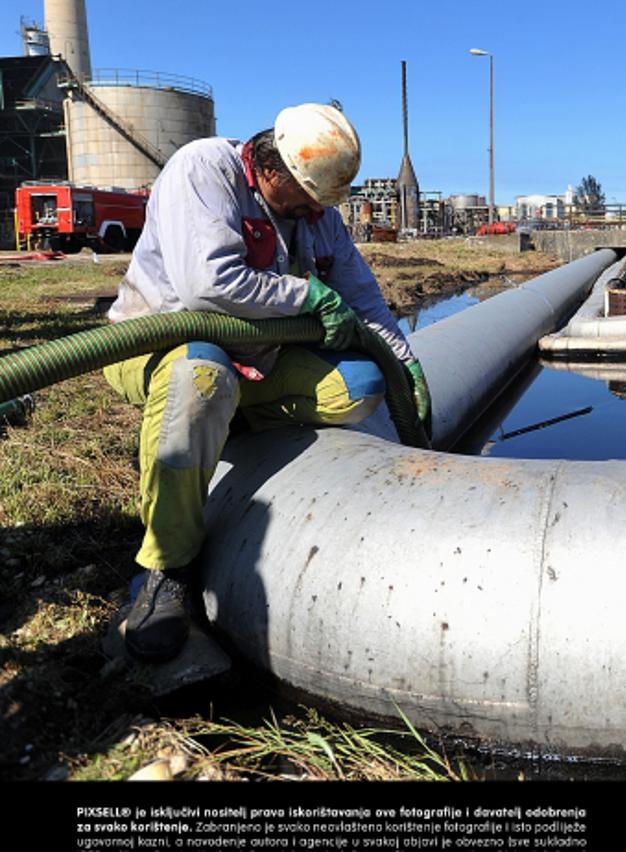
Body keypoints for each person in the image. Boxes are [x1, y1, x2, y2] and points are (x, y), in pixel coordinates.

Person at [103, 103, 430, 663]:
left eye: (320, 205)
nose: (312, 215)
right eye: (304, 200)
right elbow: (208, 285)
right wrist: (306, 296)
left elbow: (363, 298)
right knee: (202, 376)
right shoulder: (204, 169)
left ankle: (229, 427)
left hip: (256, 357)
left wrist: (406, 366)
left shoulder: (315, 213)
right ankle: (166, 568)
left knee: (359, 384)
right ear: (272, 168)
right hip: (159, 345)